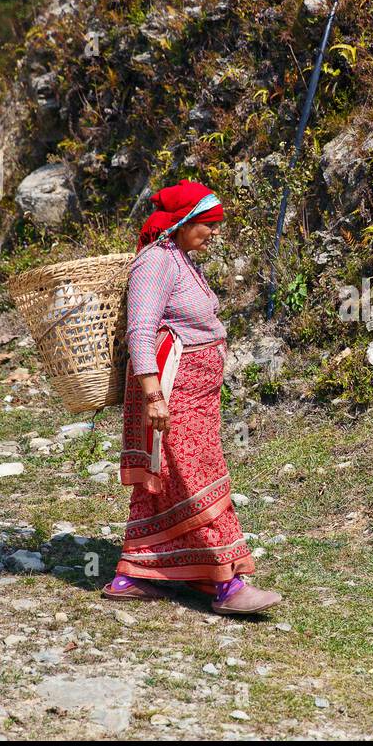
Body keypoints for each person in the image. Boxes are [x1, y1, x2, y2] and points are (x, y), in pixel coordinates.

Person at [101, 180, 281, 615]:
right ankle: (225, 583)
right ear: (181, 222)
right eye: (206, 224)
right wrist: (153, 397)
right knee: (196, 475)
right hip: (171, 392)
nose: (214, 233)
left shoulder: (180, 259)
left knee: (174, 479)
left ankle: (137, 574)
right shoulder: (156, 263)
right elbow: (140, 331)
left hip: (197, 395)